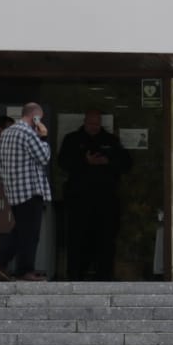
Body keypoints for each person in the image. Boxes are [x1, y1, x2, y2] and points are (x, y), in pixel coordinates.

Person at [59, 109, 131, 281]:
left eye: (97, 123)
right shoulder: (72, 139)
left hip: (106, 200)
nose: (94, 127)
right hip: (79, 200)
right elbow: (63, 162)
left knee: (105, 240)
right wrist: (85, 161)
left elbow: (126, 163)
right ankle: (75, 275)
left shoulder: (111, 141)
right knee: (77, 239)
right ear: (84, 122)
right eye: (91, 123)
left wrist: (108, 161)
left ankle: (104, 276)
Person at [0, 102, 52, 282]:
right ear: (35, 117)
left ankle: (1, 261)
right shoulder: (28, 133)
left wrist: (10, 182)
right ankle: (24, 270)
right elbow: (44, 157)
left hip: (14, 192)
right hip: (31, 190)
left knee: (22, 230)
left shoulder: (7, 133)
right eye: (40, 119)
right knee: (31, 234)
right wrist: (44, 137)